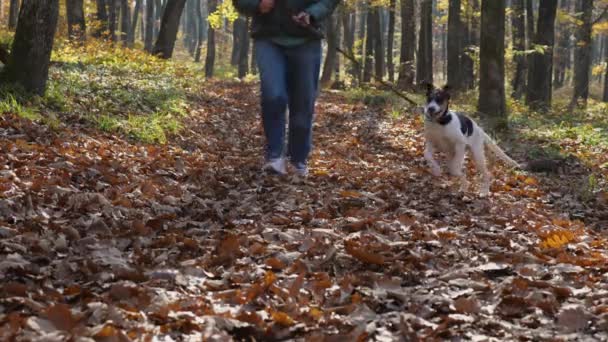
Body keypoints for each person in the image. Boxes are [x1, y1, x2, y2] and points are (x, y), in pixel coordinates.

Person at [233, 0, 340, 176]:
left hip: (307, 37)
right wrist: (257, 5)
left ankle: (298, 159)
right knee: (273, 95)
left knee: (303, 102)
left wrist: (312, 14)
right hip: (267, 37)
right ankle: (274, 156)